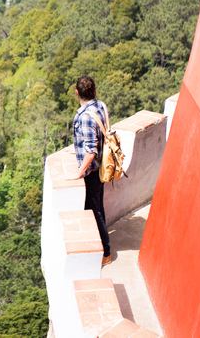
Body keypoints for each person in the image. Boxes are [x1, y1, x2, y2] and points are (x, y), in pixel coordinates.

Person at [71, 75, 112, 264]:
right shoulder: (100, 106)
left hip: (92, 172)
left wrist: (79, 173)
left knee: (95, 211)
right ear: (94, 90)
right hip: (102, 165)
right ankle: (99, 251)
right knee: (95, 209)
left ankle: (106, 253)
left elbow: (91, 150)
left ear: (77, 92)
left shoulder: (85, 117)